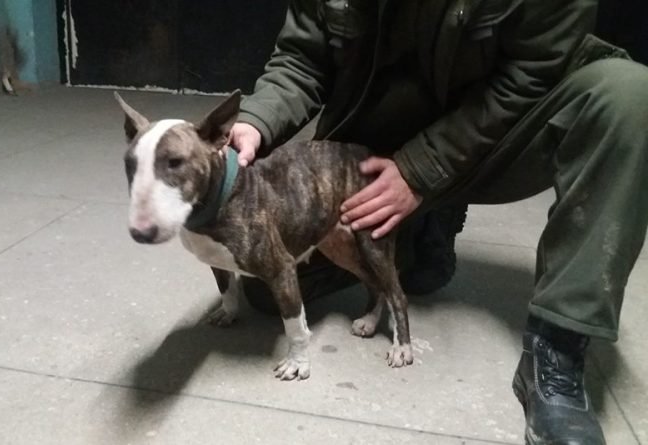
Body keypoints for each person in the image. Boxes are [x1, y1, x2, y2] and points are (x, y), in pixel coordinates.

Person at [227, 1, 648, 443]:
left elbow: (534, 72)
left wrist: (420, 170)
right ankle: (418, 231)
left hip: (496, 139)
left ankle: (558, 345)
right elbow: (302, 56)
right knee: (267, 285)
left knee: (628, 97)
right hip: (371, 154)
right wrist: (256, 122)